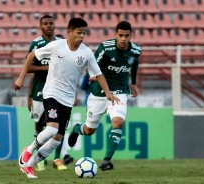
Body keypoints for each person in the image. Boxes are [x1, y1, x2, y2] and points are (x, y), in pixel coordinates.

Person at [15, 17, 120, 179]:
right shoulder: (56, 46)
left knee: (57, 139)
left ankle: (29, 166)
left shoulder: (86, 53)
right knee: (51, 129)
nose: (82, 36)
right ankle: (27, 151)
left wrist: (108, 93)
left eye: (84, 33)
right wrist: (21, 78)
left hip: (67, 99)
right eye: (79, 33)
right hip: (51, 93)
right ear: (69, 32)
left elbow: (98, 74)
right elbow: (31, 56)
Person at [67, 21, 141, 171]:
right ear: (116, 34)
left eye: (126, 36)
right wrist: (92, 75)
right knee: (89, 130)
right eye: (120, 35)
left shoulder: (135, 50)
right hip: (99, 93)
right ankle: (76, 129)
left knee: (118, 122)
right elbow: (92, 63)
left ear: (131, 35)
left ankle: (106, 160)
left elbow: (134, 65)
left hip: (119, 92)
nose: (123, 39)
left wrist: (133, 83)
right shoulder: (106, 48)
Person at [26, 15, 72, 171]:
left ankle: (57, 159)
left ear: (55, 25)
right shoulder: (37, 44)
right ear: (40, 27)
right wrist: (29, 96)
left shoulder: (62, 45)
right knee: (40, 126)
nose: (48, 26)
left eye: (51, 23)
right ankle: (39, 159)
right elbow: (29, 68)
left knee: (58, 127)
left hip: (59, 92)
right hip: (39, 92)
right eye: (45, 24)